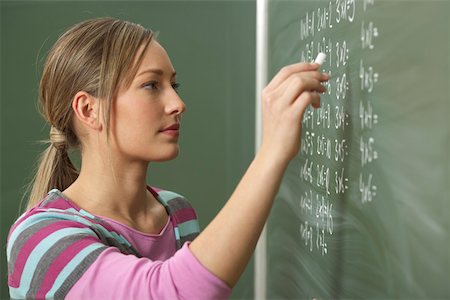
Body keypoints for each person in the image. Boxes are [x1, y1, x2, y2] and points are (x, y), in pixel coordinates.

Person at [6, 17, 329, 299]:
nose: (177, 103)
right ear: (89, 110)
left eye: (173, 84)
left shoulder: (175, 212)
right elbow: (168, 293)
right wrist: (272, 152)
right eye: (151, 85)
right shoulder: (40, 238)